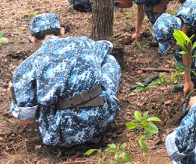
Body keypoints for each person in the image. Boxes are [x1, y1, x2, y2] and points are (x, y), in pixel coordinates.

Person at [8, 14, 120, 146]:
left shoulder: (28, 66)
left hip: (64, 133)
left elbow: (24, 121)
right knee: (109, 60)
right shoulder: (84, 43)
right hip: (103, 117)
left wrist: (13, 93)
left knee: (32, 93)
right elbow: (107, 46)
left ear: (32, 39)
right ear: (62, 31)